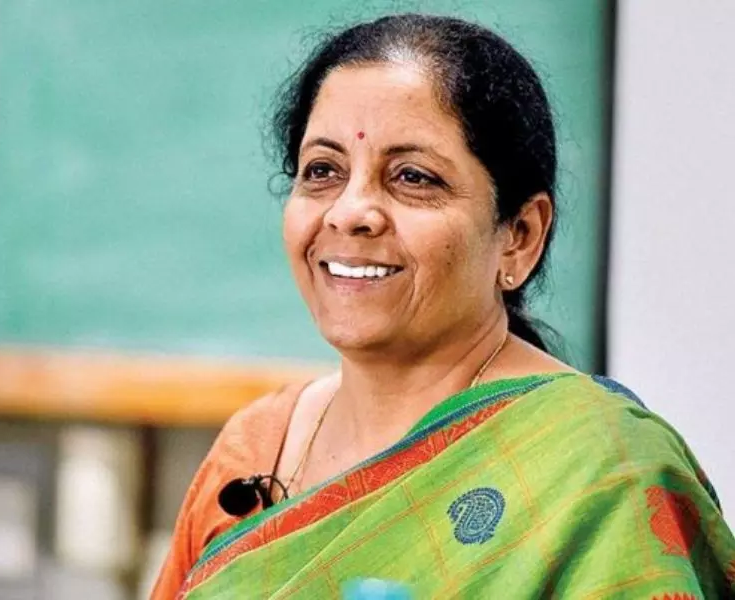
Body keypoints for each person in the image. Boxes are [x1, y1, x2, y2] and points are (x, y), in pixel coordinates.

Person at [153, 13, 735, 599]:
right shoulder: (256, 445)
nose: (350, 212)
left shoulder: (599, 470)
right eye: (323, 171)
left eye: (412, 177)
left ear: (520, 236)